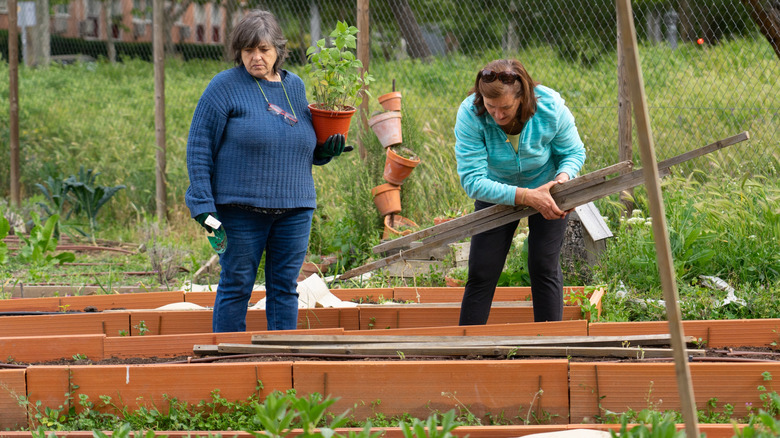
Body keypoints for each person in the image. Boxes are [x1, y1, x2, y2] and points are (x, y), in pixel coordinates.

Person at [185, 10, 346, 332]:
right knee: (236, 284)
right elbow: (199, 146)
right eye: (248, 50)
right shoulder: (224, 86)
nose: (256, 58)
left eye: (263, 50)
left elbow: (297, 143)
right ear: (238, 52)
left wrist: (323, 152)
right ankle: (228, 363)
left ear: (278, 51)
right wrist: (202, 204)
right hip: (240, 209)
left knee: (286, 287)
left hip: (295, 207)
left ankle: (282, 360)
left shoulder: (295, 87)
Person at [454, 59, 586, 324]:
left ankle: (549, 347)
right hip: (495, 190)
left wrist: (562, 181)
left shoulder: (550, 107)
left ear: (523, 97)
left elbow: (573, 152)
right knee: (482, 270)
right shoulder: (471, 113)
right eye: (491, 106)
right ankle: (466, 349)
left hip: (547, 187)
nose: (498, 115)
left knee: (543, 266)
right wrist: (525, 195)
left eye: (505, 107)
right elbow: (472, 180)